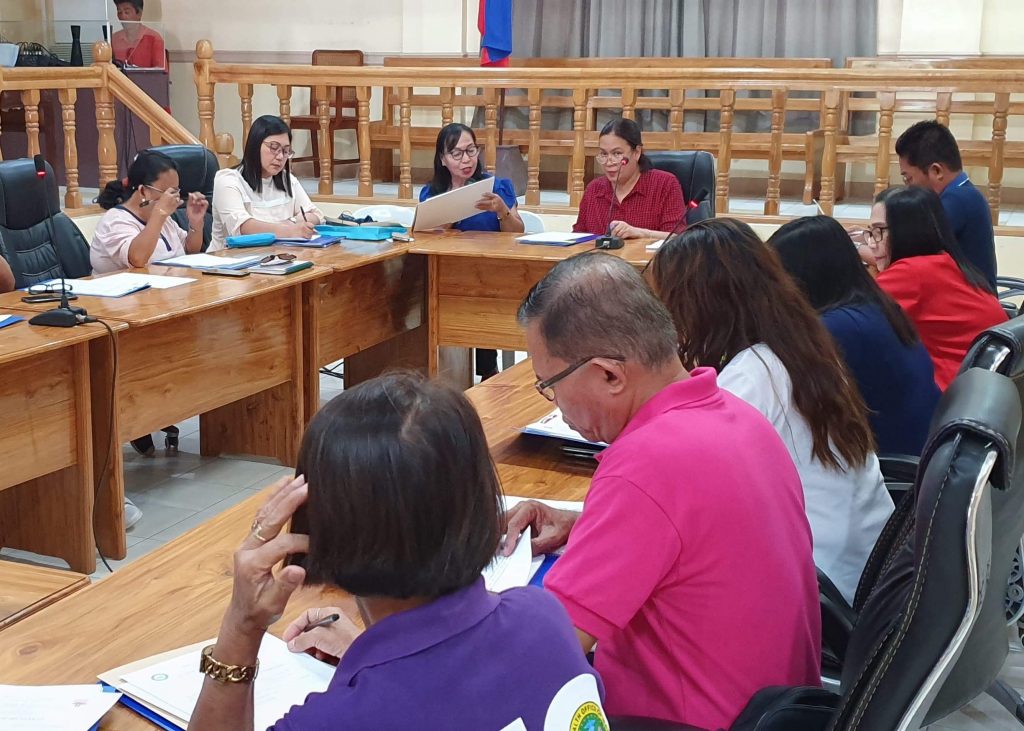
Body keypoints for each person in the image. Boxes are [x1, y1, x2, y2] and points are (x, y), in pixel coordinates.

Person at [502, 253, 820, 728]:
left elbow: (547, 650)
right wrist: (588, 525)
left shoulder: (646, 466)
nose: (554, 400)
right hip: (779, 712)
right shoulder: (737, 416)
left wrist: (383, 641)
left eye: (548, 383)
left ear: (610, 373)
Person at [190, 373, 607, 731]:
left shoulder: (341, 720)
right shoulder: (543, 618)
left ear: (319, 523)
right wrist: (372, 655)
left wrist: (241, 631)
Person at [649, 219, 895, 604]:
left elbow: (682, 496)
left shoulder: (752, 378)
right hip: (868, 566)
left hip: (820, 588)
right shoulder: (803, 343)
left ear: (700, 304)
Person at [770, 215, 941, 457]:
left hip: (892, 467)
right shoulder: (874, 305)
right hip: (921, 452)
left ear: (802, 277)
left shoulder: (837, 327)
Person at [869, 185, 1006, 390]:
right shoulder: (944, 261)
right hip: (984, 392)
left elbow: (852, 322)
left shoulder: (911, 273)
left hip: (954, 395)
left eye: (879, 231)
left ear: (905, 231)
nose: (871, 243)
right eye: (870, 232)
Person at [420, 123, 524, 379]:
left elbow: (518, 232)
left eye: (471, 151)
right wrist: (450, 213)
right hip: (447, 273)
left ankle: (489, 371)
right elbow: (422, 235)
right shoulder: (432, 193)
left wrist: (502, 210)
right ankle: (444, 374)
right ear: (443, 159)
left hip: (490, 273)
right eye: (456, 154)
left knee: (481, 294)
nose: (466, 159)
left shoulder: (497, 187)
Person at [895, 120, 996, 287]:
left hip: (970, 305)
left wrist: (858, 249)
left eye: (908, 178)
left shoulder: (957, 200)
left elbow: (906, 252)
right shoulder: (963, 192)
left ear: (936, 171)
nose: (907, 186)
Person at [210, 115, 324, 252]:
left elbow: (315, 214)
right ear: (255, 145)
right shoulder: (227, 180)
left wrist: (291, 223)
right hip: (228, 263)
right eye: (274, 147)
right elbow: (242, 227)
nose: (281, 156)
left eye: (286, 151)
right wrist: (289, 231)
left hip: (275, 258)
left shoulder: (286, 179)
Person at [92, 150, 208, 273]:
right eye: (169, 193)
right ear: (143, 191)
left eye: (176, 191)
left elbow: (190, 250)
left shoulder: (163, 218)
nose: (176, 198)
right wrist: (160, 214)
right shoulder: (114, 221)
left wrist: (195, 223)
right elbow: (137, 259)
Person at [572, 118, 686, 239]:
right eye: (604, 154)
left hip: (647, 257)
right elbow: (578, 238)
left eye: (617, 154)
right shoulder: (594, 189)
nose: (609, 162)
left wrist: (642, 233)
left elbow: (679, 238)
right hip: (599, 258)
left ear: (636, 152)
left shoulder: (665, 184)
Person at [110, 1, 167, 71]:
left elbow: (161, 74)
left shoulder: (154, 38)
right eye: (119, 12)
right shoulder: (113, 39)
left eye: (127, 12)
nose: (122, 17)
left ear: (139, 14)